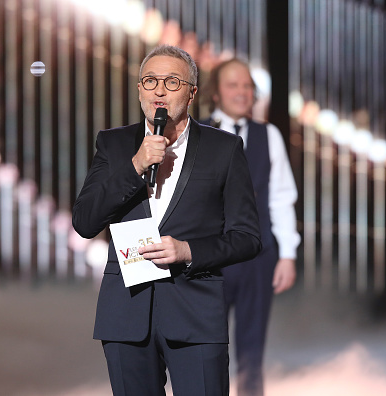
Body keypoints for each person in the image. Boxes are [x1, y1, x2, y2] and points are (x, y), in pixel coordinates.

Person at [72, 45, 262, 395]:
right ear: (139, 90)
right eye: (150, 81)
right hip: (126, 314)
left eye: (172, 82)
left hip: (195, 311)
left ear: (192, 92)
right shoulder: (114, 145)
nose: (159, 90)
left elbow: (247, 236)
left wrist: (188, 251)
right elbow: (85, 221)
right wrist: (135, 166)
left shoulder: (224, 148)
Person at [200, 58, 301, 396]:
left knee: (252, 348)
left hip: (258, 257)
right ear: (216, 92)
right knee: (206, 345)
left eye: (248, 86)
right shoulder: (194, 133)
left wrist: (287, 254)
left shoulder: (267, 134)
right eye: (234, 85)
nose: (243, 92)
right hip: (208, 257)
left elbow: (281, 197)